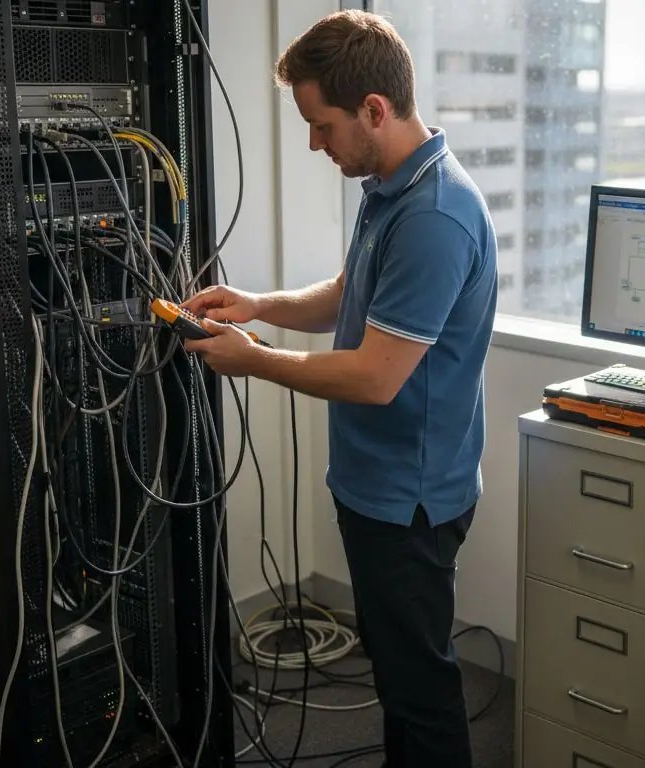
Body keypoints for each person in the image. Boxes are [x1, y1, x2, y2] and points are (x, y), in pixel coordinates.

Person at [180, 10, 496, 768]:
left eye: (322, 126)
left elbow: (374, 376)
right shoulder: (391, 183)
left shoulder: (436, 216)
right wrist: (257, 304)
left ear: (375, 111)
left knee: (419, 691)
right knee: (397, 676)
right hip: (375, 485)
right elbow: (345, 295)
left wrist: (253, 359)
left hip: (409, 497)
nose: (317, 145)